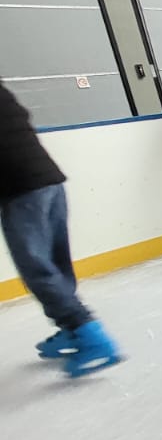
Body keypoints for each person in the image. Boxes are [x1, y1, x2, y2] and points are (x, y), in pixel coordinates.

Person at [0, 77, 122, 377]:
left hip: (21, 190)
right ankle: (71, 328)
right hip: (49, 181)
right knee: (54, 264)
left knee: (38, 270)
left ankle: (87, 333)